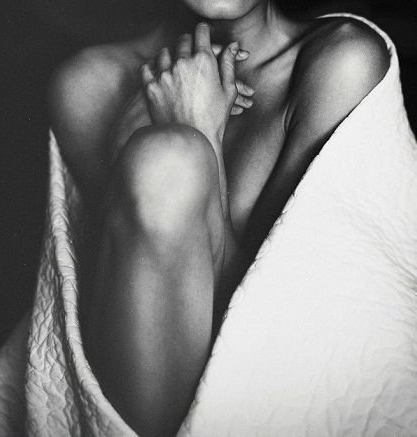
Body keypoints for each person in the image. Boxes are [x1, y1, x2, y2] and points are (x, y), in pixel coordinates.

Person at [48, 0, 389, 435]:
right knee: (166, 158)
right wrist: (138, 150)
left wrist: (200, 131)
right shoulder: (92, 84)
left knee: (169, 155)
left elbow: (280, 322)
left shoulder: (340, 64)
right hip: (135, 412)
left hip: (280, 402)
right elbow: (149, 303)